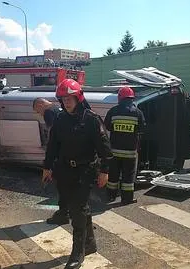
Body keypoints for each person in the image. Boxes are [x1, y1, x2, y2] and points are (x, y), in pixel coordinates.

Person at [43, 79, 113, 269]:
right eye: (63, 99)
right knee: (79, 208)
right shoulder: (60, 119)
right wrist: (47, 167)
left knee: (77, 209)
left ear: (78, 97)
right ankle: (89, 244)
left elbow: (105, 149)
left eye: (70, 98)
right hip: (64, 170)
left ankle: (77, 252)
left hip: (85, 171)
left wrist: (104, 171)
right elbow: (53, 146)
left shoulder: (91, 119)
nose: (66, 102)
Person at [104, 86, 146, 204]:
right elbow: (142, 129)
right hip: (130, 152)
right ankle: (126, 199)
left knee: (113, 176)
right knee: (128, 177)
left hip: (114, 152)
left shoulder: (113, 111)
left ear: (120, 98)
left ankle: (110, 196)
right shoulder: (138, 113)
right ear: (132, 99)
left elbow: (107, 126)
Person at [33, 97, 69, 225]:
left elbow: (53, 137)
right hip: (68, 152)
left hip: (59, 155)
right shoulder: (58, 108)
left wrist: (48, 163)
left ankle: (63, 213)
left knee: (62, 185)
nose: (40, 114)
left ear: (40, 104)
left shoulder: (49, 112)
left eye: (38, 110)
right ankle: (68, 210)